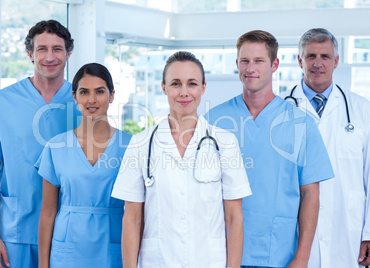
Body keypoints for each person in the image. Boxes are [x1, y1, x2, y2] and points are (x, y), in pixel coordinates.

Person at [205, 30, 334, 268]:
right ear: (237, 64)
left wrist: (302, 259)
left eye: (258, 61)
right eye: (244, 61)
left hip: (278, 254)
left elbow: (310, 195)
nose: (250, 68)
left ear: (274, 65)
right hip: (220, 252)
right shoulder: (213, 120)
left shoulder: (300, 124)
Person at [111, 51, 252, 267]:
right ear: (164, 87)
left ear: (203, 88)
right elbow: (132, 219)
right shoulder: (141, 144)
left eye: (192, 84)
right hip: (158, 261)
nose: (184, 92)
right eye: (176, 84)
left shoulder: (225, 142)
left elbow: (234, 218)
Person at [0, 20, 80, 268]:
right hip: (14, 235)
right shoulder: (2, 102)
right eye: (42, 49)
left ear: (68, 53)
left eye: (57, 49)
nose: (49, 57)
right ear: (30, 54)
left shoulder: (83, 103)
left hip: (67, 235)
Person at [280, 28, 370, 268]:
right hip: (294, 233)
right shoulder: (278, 110)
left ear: (336, 61)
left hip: (347, 231)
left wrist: (368, 232)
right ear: (300, 60)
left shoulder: (362, 110)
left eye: (325, 56)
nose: (317, 64)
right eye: (310, 56)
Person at [36, 63, 131, 267]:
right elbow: (48, 212)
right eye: (84, 92)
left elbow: (139, 213)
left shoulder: (131, 146)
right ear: (74, 96)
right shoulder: (56, 147)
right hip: (67, 247)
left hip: (113, 245)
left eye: (100, 91)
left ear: (112, 95)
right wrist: (43, 265)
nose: (91, 100)